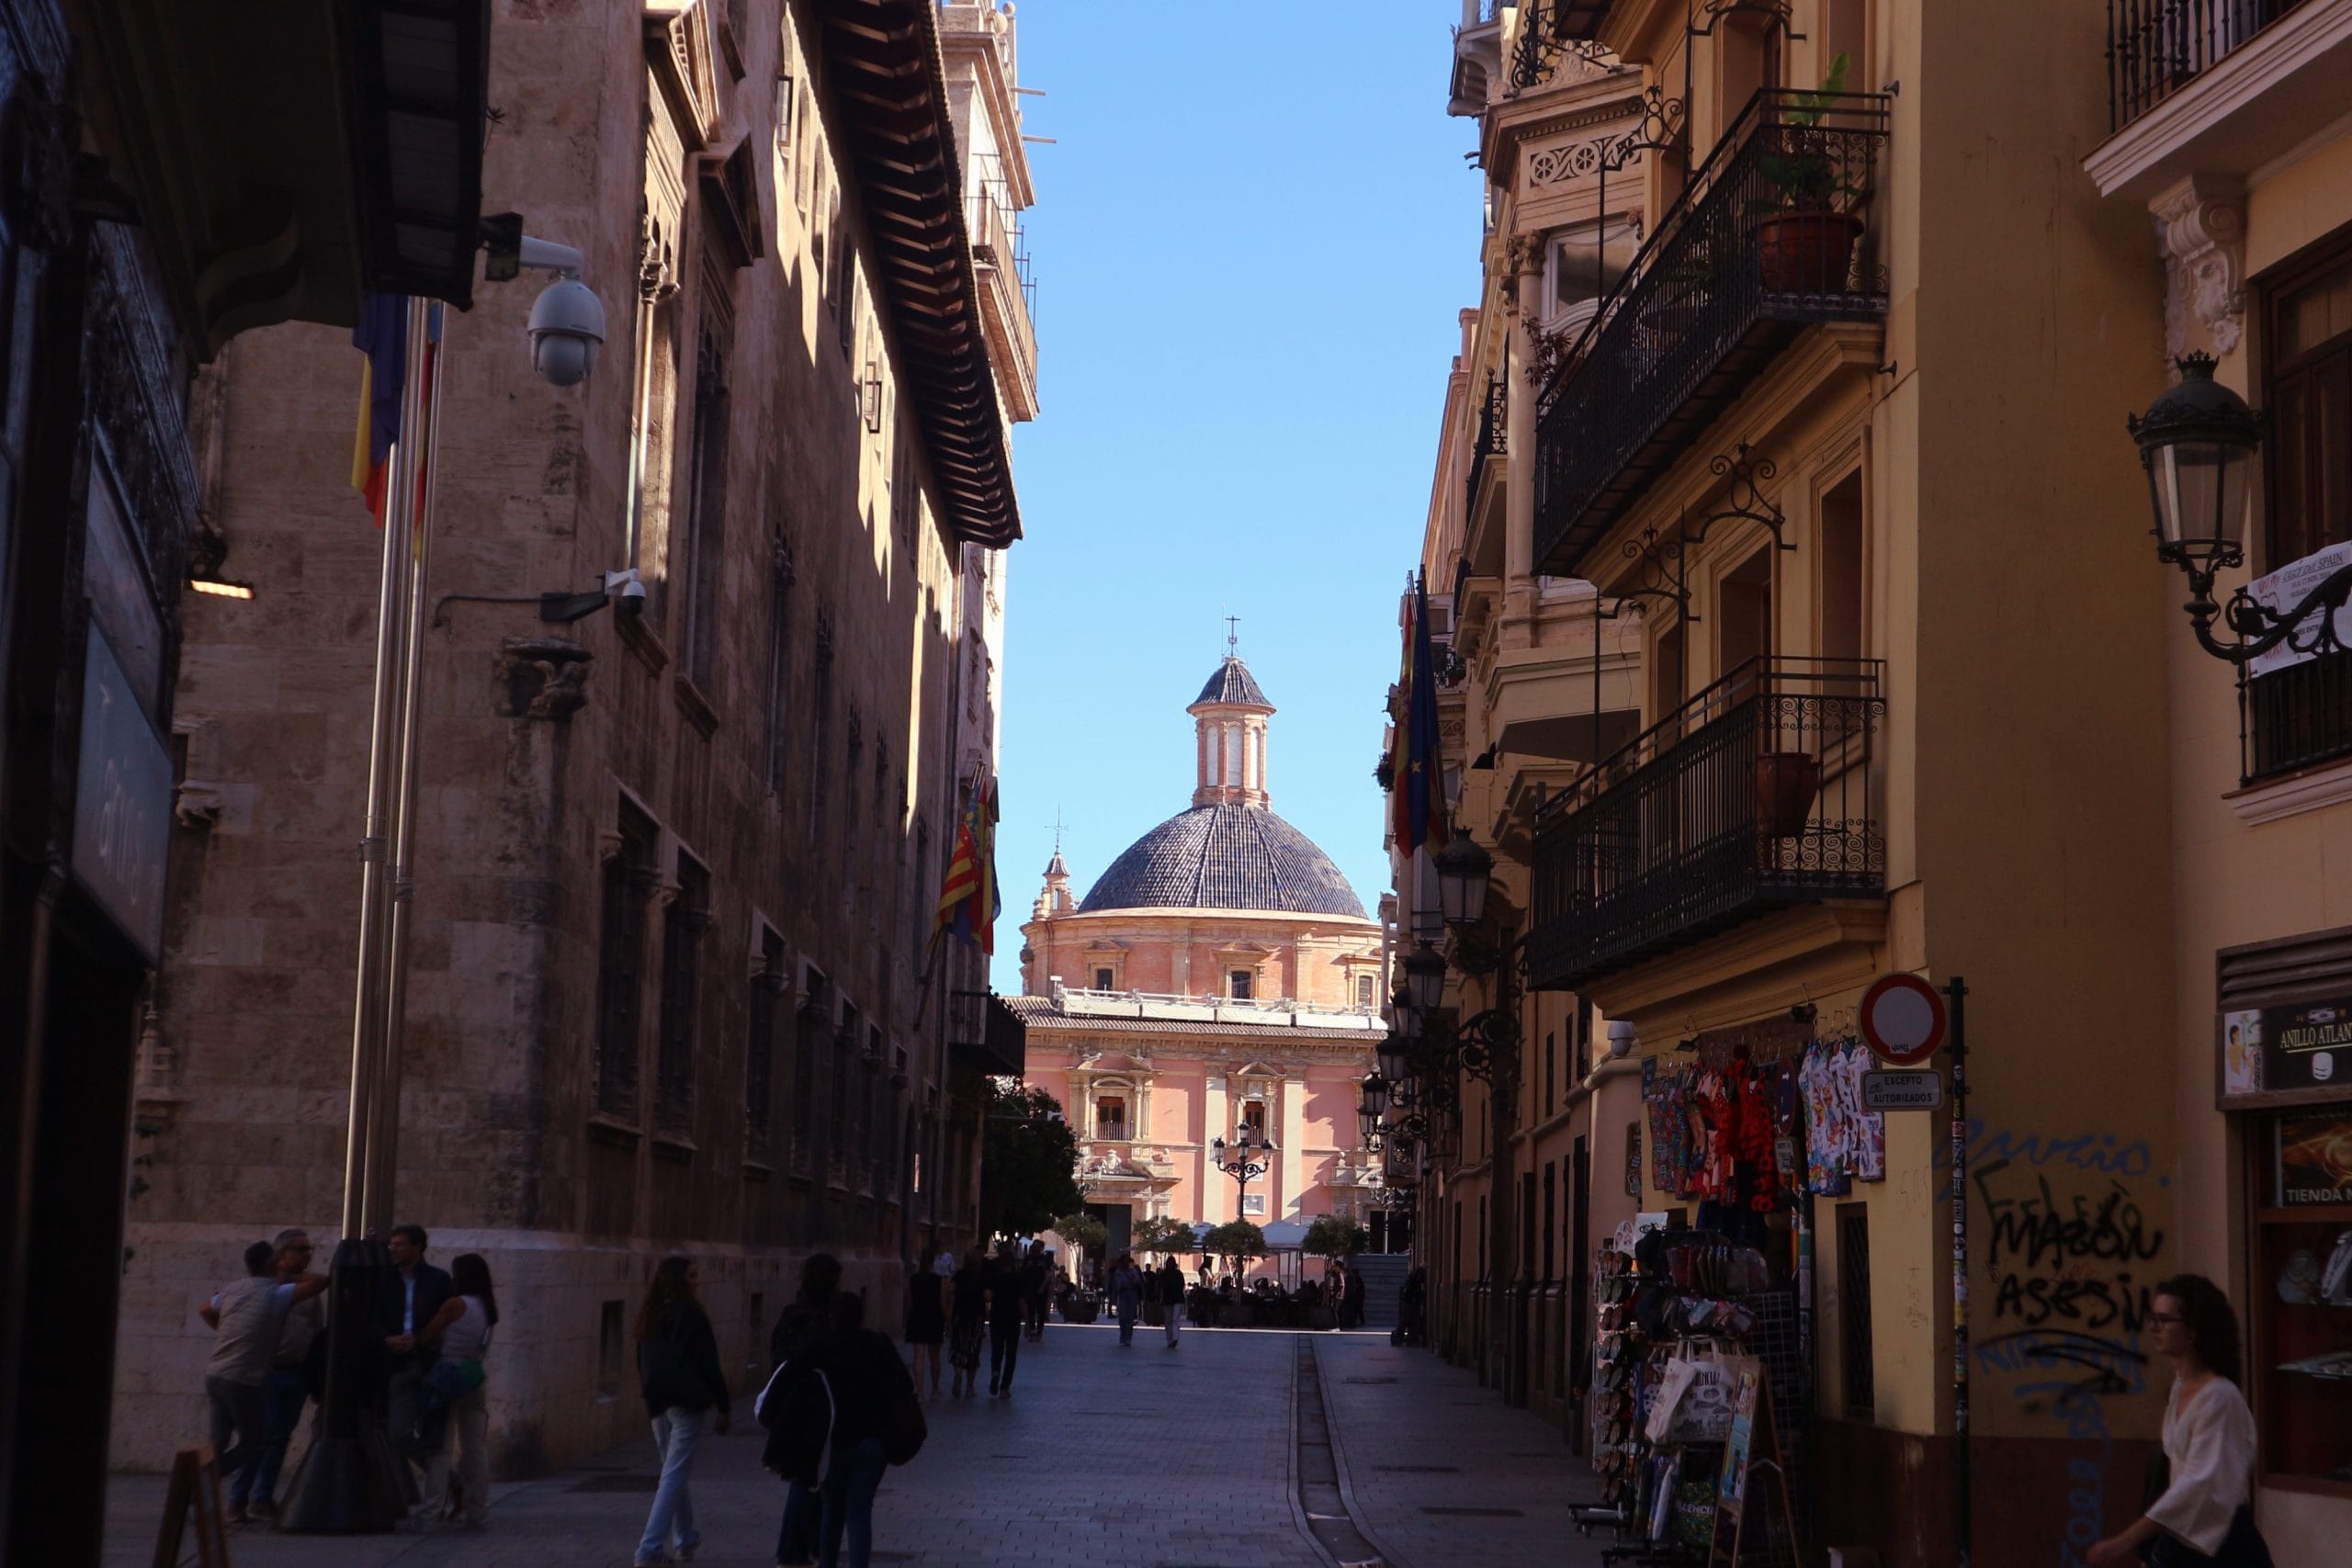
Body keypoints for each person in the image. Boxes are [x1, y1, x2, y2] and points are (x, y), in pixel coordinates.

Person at [2086, 1275, 2270, 1567]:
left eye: (2164, 1319)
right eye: (2152, 1318)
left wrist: (2128, 1539)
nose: (2153, 1327)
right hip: (2184, 1539)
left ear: (2193, 1330)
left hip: (2221, 1545)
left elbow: (2198, 1483)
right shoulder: (2180, 1387)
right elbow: (2176, 1476)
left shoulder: (2219, 1398)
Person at [201, 1239, 329, 1523]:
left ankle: (202, 1501)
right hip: (245, 1378)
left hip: (217, 1372)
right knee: (255, 1442)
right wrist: (291, 1272)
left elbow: (204, 1309)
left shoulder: (232, 1289)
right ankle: (203, 1478)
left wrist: (226, 1332)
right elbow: (322, 1281)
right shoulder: (276, 1293)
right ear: (274, 1264)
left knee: (219, 1439)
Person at [633, 1257, 731, 1568]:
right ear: (679, 1279)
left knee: (672, 1472)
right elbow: (709, 1363)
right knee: (673, 1475)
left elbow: (642, 1361)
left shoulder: (649, 1315)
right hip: (686, 1403)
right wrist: (724, 1407)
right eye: (692, 1275)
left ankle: (685, 1536)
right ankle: (648, 1550)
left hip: (659, 1403)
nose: (696, 1281)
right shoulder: (691, 1315)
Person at [812, 1292, 914, 1568]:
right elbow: (904, 1385)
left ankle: (827, 1564)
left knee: (831, 1512)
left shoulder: (824, 1347)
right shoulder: (878, 1343)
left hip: (834, 1442)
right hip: (873, 1441)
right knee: (859, 1512)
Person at [415, 1252, 498, 1529]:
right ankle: (478, 1510)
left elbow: (427, 1336)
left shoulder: (455, 1304)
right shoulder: (487, 1306)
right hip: (474, 1374)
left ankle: (430, 1511)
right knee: (475, 1448)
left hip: (448, 1373)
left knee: (441, 1447)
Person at [243, 1229, 322, 1518]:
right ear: (281, 1254)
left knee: (280, 1437)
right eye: (299, 1249)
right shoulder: (263, 1286)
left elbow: (314, 1327)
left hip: (296, 1372)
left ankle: (262, 1497)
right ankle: (241, 1496)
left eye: (308, 1249)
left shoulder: (310, 1291)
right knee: (262, 1435)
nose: (306, 1254)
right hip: (267, 1371)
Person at [770, 1254, 842, 1568]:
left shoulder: (791, 1314)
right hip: (818, 1407)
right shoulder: (825, 1319)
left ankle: (808, 1547)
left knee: (808, 1477)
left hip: (791, 1405)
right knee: (808, 1479)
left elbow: (776, 1357)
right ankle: (793, 1550)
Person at [376, 1224, 455, 1479]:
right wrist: (388, 1339)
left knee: (434, 1433)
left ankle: (440, 1487)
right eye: (392, 1244)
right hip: (398, 1363)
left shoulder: (439, 1280)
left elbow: (447, 1319)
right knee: (398, 1433)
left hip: (429, 1362)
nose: (394, 1249)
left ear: (417, 1246)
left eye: (400, 1244)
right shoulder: (384, 1279)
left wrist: (420, 1339)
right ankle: (446, 1479)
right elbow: (371, 1317)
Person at [985, 1244, 1024, 1396]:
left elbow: (988, 1296)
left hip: (996, 1317)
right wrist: (1027, 1321)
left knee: (997, 1350)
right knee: (1011, 1354)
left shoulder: (994, 1278)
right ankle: (1004, 1387)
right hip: (1013, 1319)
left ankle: (995, 1373)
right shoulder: (1017, 1279)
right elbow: (1022, 1301)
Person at [947, 1249, 987, 1399]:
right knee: (973, 1350)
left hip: (960, 1316)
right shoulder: (981, 1277)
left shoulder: (960, 1274)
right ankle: (970, 1388)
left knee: (958, 1347)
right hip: (976, 1318)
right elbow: (988, 1295)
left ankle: (958, 1376)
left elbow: (950, 1290)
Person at [904, 1258, 944, 1401]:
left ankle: (920, 1392)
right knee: (934, 1357)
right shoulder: (937, 1280)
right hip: (933, 1318)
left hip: (917, 1317)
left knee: (918, 1357)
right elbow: (941, 1300)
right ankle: (934, 1389)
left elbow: (909, 1300)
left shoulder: (913, 1279)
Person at [1110, 1255, 1144, 1348]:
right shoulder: (1119, 1272)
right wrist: (1124, 1284)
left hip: (1132, 1294)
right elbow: (1117, 1284)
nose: (1126, 1263)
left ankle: (1128, 1338)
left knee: (1130, 1317)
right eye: (1124, 1261)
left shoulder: (1133, 1271)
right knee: (1122, 1317)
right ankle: (1123, 1333)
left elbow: (1138, 1281)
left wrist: (1132, 1282)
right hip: (1123, 1294)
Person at [1017, 1247, 1048, 1343]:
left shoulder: (1045, 1259)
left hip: (1041, 1290)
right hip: (1029, 1289)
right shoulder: (1028, 1258)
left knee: (1041, 1312)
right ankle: (1032, 1331)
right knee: (1031, 1310)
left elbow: (1048, 1274)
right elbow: (1022, 1272)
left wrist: (1043, 1286)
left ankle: (1039, 1332)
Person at [1159, 1256, 1185, 1348]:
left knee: (1174, 1319)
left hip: (1176, 1299)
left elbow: (1181, 1286)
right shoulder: (1164, 1274)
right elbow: (1160, 1287)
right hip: (1168, 1300)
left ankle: (1174, 1338)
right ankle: (1170, 1340)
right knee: (1168, 1321)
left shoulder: (1178, 1274)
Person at [1343, 1263, 1367, 1331]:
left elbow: (1356, 1287)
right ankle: (1355, 1322)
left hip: (1359, 1297)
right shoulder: (1354, 1279)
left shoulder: (1358, 1279)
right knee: (1357, 1310)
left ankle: (1359, 1322)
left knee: (1358, 1310)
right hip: (1356, 1297)